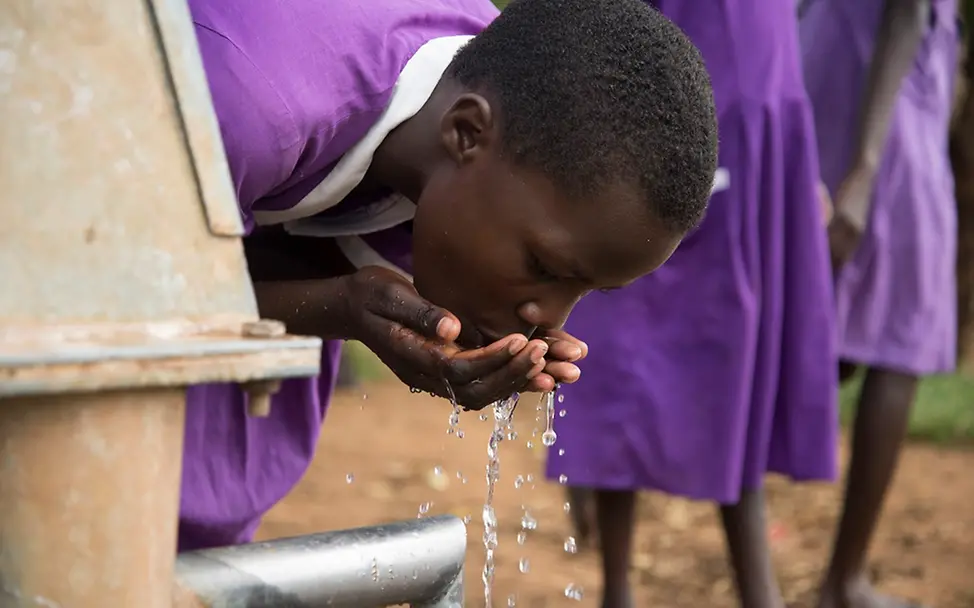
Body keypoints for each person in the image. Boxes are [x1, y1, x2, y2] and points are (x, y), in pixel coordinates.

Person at [178, 0, 719, 551]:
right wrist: (336, 306)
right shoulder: (241, 108)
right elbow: (107, 298)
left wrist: (360, 303)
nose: (547, 319)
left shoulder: (523, 99)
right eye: (544, 268)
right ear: (465, 132)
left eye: (587, 291)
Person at [546, 1, 838, 607]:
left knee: (734, 332)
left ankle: (756, 589)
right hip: (661, 93)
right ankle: (619, 586)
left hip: (759, 96)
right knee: (628, 313)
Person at [800, 1, 958, 607]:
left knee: (830, 327)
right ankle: (845, 580)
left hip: (837, 73)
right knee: (902, 338)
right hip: (886, 104)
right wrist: (865, 170)